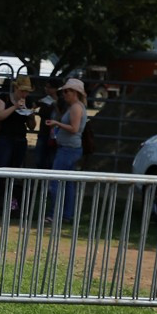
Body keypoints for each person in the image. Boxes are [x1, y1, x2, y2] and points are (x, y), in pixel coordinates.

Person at [45, 78, 88, 223]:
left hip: (68, 150)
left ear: (75, 92)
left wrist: (57, 123)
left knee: (56, 181)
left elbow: (74, 129)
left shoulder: (76, 107)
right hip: (70, 149)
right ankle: (66, 215)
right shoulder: (76, 106)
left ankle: (55, 214)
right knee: (68, 184)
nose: (64, 94)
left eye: (67, 91)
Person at [0, 75, 36, 212]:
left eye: (27, 91)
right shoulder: (4, 98)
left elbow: (32, 126)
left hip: (20, 139)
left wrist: (30, 115)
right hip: (5, 138)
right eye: (22, 90)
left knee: (15, 172)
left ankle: (12, 202)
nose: (25, 94)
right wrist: (15, 107)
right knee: (1, 171)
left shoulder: (29, 101)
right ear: (16, 88)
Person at [33, 78, 65, 169]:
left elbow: (62, 116)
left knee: (52, 160)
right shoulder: (44, 99)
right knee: (39, 160)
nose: (46, 89)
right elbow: (33, 106)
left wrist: (56, 105)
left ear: (56, 89)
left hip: (55, 134)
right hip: (43, 132)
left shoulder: (62, 101)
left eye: (49, 87)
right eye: (46, 87)